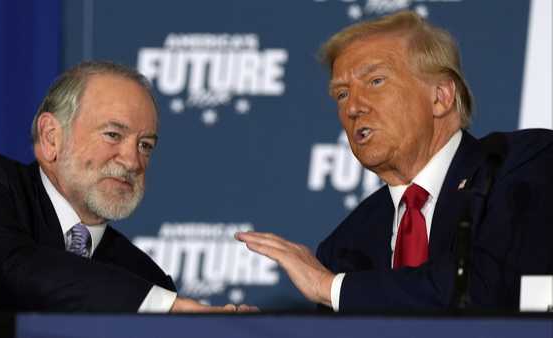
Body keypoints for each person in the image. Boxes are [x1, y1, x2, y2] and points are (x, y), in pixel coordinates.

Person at [236, 11, 553, 311]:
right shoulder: (346, 243)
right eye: (342, 94)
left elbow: (487, 290)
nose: (354, 108)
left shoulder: (520, 166)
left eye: (375, 82)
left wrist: (333, 288)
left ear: (440, 96)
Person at [0, 61, 250, 312]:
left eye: (145, 145)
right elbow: (13, 267)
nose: (133, 161)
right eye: (112, 135)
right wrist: (162, 307)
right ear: (51, 137)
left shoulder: (144, 277)